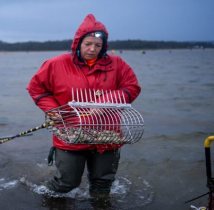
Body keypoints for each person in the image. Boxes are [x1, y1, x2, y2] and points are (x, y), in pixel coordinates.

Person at [26, 14, 141, 198]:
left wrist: (105, 102)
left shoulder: (117, 64)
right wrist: (54, 110)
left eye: (98, 45)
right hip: (71, 132)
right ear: (78, 42)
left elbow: (132, 87)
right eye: (88, 44)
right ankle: (45, 199)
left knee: (103, 184)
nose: (92, 49)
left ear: (104, 46)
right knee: (66, 182)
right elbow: (36, 89)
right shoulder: (56, 64)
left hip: (107, 134)